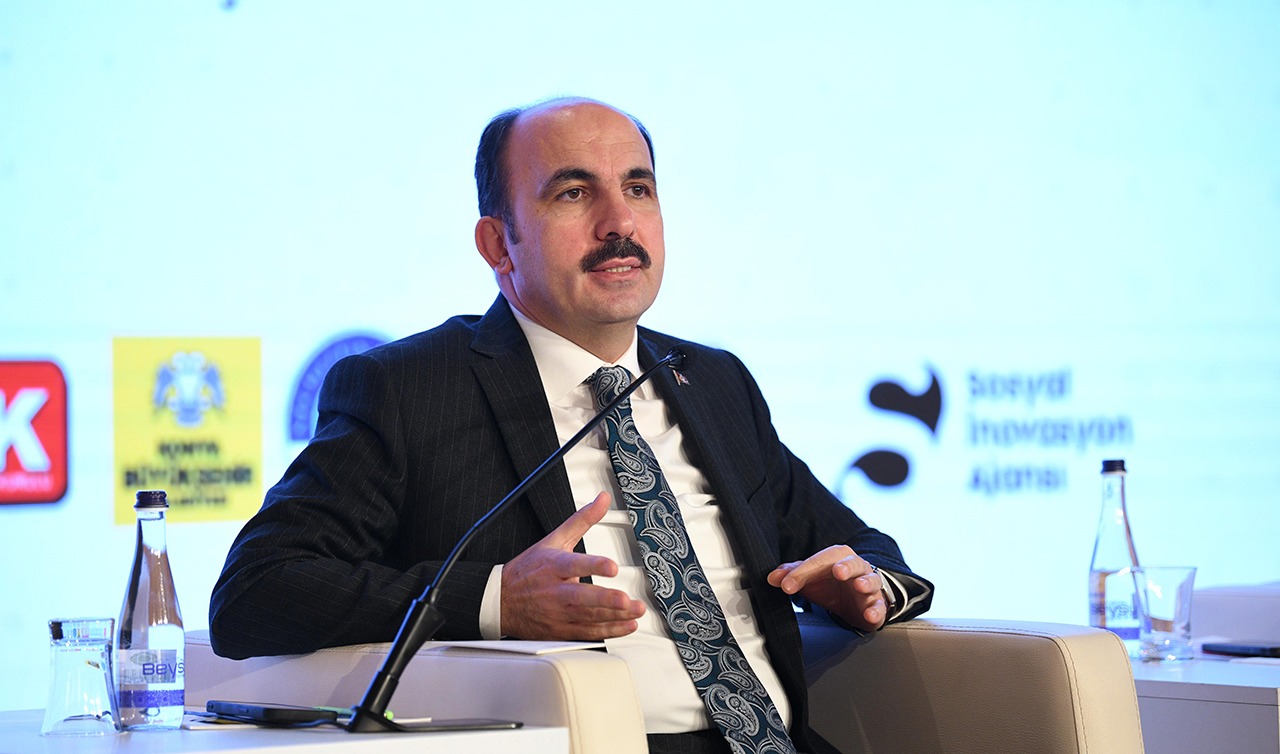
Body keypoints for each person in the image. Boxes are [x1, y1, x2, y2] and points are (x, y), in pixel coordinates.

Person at [210, 97, 932, 754]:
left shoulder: (713, 381)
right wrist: (498, 600)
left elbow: (865, 550)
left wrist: (864, 587)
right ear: (499, 245)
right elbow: (256, 592)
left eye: (639, 189)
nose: (620, 224)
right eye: (574, 192)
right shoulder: (407, 390)